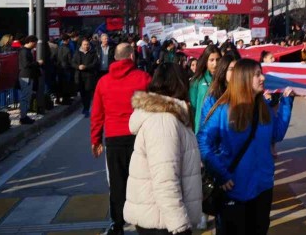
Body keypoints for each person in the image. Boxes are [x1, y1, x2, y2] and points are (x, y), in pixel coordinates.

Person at [198, 59, 294, 235]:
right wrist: (221, 174)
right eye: (257, 74)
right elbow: (203, 142)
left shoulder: (263, 106)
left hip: (263, 188)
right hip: (235, 190)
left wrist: (287, 103)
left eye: (261, 73)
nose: (263, 78)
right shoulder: (223, 109)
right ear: (244, 78)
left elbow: (277, 134)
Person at [123, 62, 202, 235]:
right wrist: (180, 226)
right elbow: (165, 179)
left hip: (162, 218)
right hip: (163, 222)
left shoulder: (166, 117)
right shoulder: (163, 121)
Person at [90, 43, 151, 235]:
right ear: (132, 56)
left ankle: (117, 224)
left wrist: (96, 139)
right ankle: (143, 222)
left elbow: (97, 113)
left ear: (115, 58)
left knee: (117, 182)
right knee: (141, 181)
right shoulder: (144, 78)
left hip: (114, 138)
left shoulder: (103, 82)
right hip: (138, 137)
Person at [189, 44, 221, 133]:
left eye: (218, 60)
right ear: (206, 61)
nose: (215, 64)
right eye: (211, 60)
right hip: (201, 128)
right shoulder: (197, 80)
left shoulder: (225, 79)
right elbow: (192, 107)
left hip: (220, 127)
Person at [18, 35, 42, 125]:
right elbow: (26, 64)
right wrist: (37, 63)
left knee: (27, 96)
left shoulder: (26, 51)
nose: (35, 45)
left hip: (28, 75)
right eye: (35, 43)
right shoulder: (24, 51)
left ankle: (24, 115)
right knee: (25, 97)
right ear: (31, 42)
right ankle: (23, 116)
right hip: (26, 76)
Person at [72, 38, 99, 117]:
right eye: (84, 45)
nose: (86, 46)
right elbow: (73, 63)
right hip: (79, 76)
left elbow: (95, 63)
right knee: (82, 93)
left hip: (89, 76)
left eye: (87, 44)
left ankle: (86, 108)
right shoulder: (77, 53)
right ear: (81, 45)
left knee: (88, 93)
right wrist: (78, 66)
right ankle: (85, 106)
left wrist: (86, 67)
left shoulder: (93, 53)